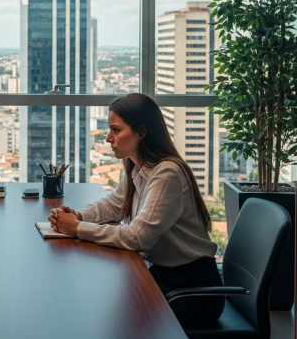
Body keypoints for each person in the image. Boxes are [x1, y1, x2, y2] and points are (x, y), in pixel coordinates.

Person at [48, 93, 223, 327]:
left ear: (141, 132)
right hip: (164, 275)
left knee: (112, 317)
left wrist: (77, 228)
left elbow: (138, 237)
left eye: (116, 130)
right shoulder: (137, 164)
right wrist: (78, 216)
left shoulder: (166, 173)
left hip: (192, 290)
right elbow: (116, 204)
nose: (109, 138)